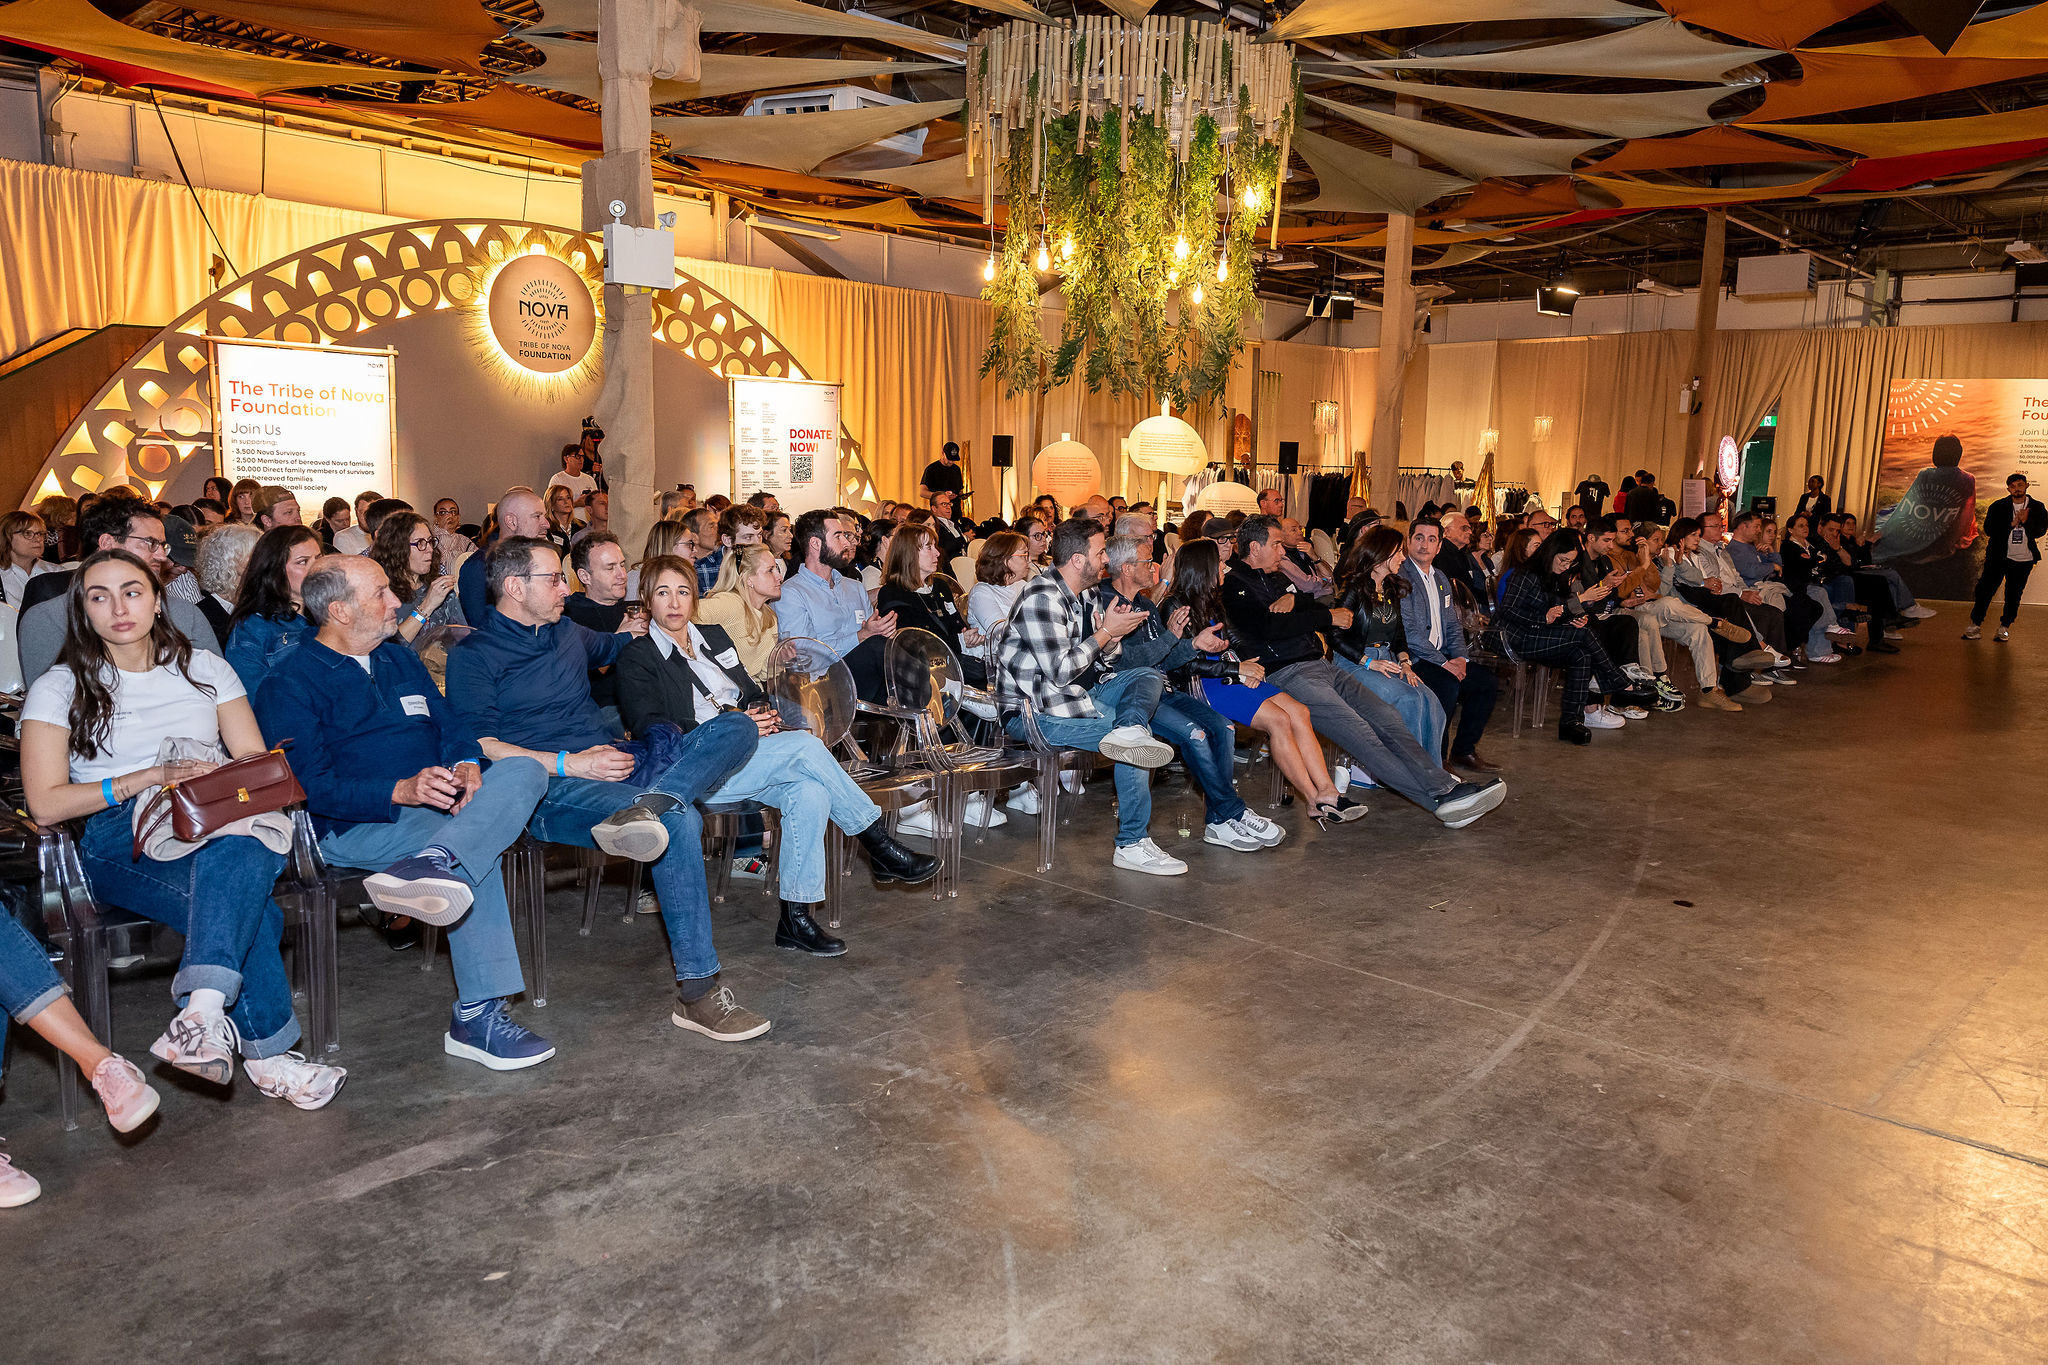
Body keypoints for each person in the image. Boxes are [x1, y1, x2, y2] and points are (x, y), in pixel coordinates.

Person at [21, 551, 346, 1109]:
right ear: (83, 610)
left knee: (242, 852)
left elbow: (254, 766)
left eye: (132, 591)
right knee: (252, 907)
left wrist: (208, 776)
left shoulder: (206, 668)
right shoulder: (60, 686)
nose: (118, 608)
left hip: (212, 814)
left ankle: (202, 1015)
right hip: (119, 835)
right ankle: (263, 1054)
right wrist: (147, 777)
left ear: (157, 600)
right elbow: (45, 804)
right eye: (99, 596)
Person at [444, 536, 774, 1041]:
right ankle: (698, 994)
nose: (565, 588)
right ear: (514, 587)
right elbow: (482, 746)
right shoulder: (476, 654)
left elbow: (623, 642)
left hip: (618, 764)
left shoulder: (566, 631)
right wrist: (572, 763)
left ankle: (655, 801)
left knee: (738, 726)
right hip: (549, 786)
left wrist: (666, 624)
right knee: (679, 821)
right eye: (554, 579)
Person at [252, 556, 555, 1070]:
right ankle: (477, 1016)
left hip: (440, 804)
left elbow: (452, 726)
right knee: (470, 851)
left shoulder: (398, 659)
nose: (397, 602)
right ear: (340, 611)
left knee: (525, 770)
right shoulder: (289, 683)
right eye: (382, 594)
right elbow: (309, 788)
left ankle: (434, 860)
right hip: (356, 824)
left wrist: (464, 764)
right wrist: (400, 791)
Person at [615, 556, 939, 954]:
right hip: (694, 767)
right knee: (805, 746)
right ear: (647, 598)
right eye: (663, 592)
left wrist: (763, 713)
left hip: (750, 755)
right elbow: (650, 725)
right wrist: (735, 721)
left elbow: (750, 691)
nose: (674, 602)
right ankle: (878, 845)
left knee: (809, 792)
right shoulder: (638, 656)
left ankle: (795, 920)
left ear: (694, 597)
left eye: (683, 591)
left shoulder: (712, 637)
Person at [1222, 515, 1505, 827]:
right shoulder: (1235, 585)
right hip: (1289, 674)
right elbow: (1270, 627)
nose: (1282, 551)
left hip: (1321, 666)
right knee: (1361, 732)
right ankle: (1440, 799)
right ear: (1254, 548)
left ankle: (1445, 787)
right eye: (1276, 544)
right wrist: (1325, 617)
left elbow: (1313, 599)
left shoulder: (1275, 578)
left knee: (1389, 718)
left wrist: (1294, 599)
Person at [995, 518, 1195, 875]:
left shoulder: (1085, 595)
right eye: (1100, 552)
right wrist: (1105, 633)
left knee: (1146, 677)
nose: (1106, 560)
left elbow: (1103, 660)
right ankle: (1131, 844)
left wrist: (1112, 638)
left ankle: (1129, 727)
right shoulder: (1042, 597)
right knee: (1135, 746)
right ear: (1077, 560)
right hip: (1033, 712)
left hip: (1076, 696)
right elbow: (1060, 671)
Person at [1083, 533, 1286, 852]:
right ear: (1126, 568)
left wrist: (1192, 644)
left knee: (1224, 727)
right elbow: (1127, 663)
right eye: (1147, 561)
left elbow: (1164, 659)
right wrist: (1175, 640)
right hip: (1131, 697)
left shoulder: (1145, 604)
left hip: (1161, 690)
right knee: (1196, 735)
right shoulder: (1105, 603)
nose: (1155, 567)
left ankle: (1219, 823)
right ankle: (1231, 812)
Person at [1159, 540, 1356, 823]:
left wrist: (1250, 666)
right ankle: (1313, 800)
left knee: (1300, 712)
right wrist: (1236, 670)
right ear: (1204, 567)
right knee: (1279, 720)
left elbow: (1235, 638)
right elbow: (1181, 664)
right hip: (1202, 683)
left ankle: (1327, 792)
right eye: (1219, 563)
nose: (1224, 568)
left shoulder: (1212, 597)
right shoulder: (1174, 605)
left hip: (1228, 673)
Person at [18, 494, 222, 687]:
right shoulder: (48, 618)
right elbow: (53, 702)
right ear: (107, 543)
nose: (161, 556)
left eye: (162, 546)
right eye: (151, 543)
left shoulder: (185, 614)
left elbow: (217, 688)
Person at [1497, 531, 1658, 745]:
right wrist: (1543, 618)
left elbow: (1557, 610)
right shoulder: (1525, 574)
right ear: (1550, 553)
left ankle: (1571, 722)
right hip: (1515, 636)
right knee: (1584, 635)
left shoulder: (1554, 576)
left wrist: (1573, 618)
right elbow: (1507, 611)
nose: (1565, 566)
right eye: (1563, 560)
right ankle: (1620, 683)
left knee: (1581, 654)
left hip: (1538, 633)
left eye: (1570, 562)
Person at [1331, 527, 1448, 760]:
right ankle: (1410, 769)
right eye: (1398, 553)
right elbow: (1334, 636)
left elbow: (1398, 634)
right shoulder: (1354, 588)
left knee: (1432, 702)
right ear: (1381, 555)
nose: (1403, 557)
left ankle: (1432, 770)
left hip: (1387, 660)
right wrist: (1367, 662)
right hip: (1354, 663)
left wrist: (1405, 663)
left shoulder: (1390, 588)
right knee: (1408, 700)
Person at [1400, 519, 1503, 770]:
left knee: (1487, 683)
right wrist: (1445, 664)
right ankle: (1439, 758)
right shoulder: (1401, 577)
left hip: (1443, 655)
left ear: (1439, 546)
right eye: (1419, 538)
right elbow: (1409, 633)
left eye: (1431, 539)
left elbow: (1453, 624)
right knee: (1447, 685)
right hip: (1415, 658)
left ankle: (1463, 750)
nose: (1424, 545)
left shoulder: (1440, 577)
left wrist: (1460, 658)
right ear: (1409, 541)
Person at [777, 509, 898, 701]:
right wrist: (861, 636)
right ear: (815, 543)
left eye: (846, 536)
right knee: (878, 648)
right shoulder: (791, 593)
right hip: (823, 686)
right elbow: (803, 658)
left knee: (900, 646)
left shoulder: (854, 587)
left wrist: (882, 630)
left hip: (868, 680)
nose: (847, 543)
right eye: (838, 536)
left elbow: (872, 636)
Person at [876, 522, 983, 682]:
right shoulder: (893, 594)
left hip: (954, 667)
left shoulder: (940, 586)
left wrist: (968, 637)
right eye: (929, 547)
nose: (937, 553)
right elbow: (911, 645)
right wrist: (959, 641)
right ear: (909, 553)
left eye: (935, 546)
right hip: (923, 679)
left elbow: (956, 625)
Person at [224, 525, 320, 692]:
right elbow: (257, 697)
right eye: (302, 562)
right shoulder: (252, 629)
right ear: (276, 569)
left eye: (318, 558)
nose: (316, 568)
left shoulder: (334, 612)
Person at [563, 532, 647, 720]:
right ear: (585, 576)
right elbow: (585, 676)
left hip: (649, 699)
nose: (622, 575)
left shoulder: (637, 609)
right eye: (610, 568)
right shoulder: (569, 617)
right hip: (603, 710)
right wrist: (620, 638)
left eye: (622, 565)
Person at [1966, 472, 2045, 641]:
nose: (2017, 489)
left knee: (2014, 594)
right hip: (1998, 557)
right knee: (1985, 590)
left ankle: (2004, 627)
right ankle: (1975, 624)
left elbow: (2040, 531)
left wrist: (2026, 521)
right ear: (2008, 489)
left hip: (2023, 559)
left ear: (2027, 485)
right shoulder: (1998, 506)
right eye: (2013, 486)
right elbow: (1989, 529)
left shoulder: (2037, 507)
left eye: (2020, 485)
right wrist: (2011, 524)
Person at [370, 509, 463, 646]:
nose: (430, 549)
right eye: (420, 543)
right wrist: (427, 606)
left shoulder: (438, 587)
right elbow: (388, 649)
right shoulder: (380, 594)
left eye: (430, 542)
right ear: (396, 548)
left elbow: (462, 638)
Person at [697, 545, 785, 681]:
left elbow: (760, 674)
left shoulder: (770, 617)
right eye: (770, 570)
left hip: (750, 691)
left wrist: (778, 660)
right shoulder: (729, 603)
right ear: (749, 578)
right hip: (722, 692)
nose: (779, 577)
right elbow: (683, 615)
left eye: (777, 569)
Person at [459, 488, 546, 624]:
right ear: (511, 522)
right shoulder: (478, 566)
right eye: (537, 516)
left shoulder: (541, 559)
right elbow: (482, 626)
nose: (546, 524)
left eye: (545, 516)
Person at [0, 509, 55, 605]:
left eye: (40, 534)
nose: (38, 539)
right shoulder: (2, 576)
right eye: (27, 533)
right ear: (7, 537)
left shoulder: (56, 572)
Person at [548, 443, 598, 510]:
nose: (581, 460)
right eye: (577, 456)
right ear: (566, 459)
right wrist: (576, 504)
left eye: (582, 456)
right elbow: (552, 506)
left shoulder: (589, 479)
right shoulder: (558, 479)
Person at [331, 490, 380, 555]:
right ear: (356, 512)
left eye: (373, 513)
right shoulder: (343, 537)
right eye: (363, 512)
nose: (367, 517)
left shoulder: (390, 535)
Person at [920, 441, 966, 508]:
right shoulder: (931, 469)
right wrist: (942, 496)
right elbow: (922, 492)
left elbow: (959, 490)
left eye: (953, 460)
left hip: (955, 510)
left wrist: (961, 495)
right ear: (942, 453)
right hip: (939, 510)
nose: (951, 462)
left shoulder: (956, 469)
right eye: (949, 459)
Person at [929, 490, 969, 561]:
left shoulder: (953, 524)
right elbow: (944, 547)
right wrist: (965, 538)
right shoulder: (934, 525)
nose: (948, 507)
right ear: (934, 508)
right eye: (944, 504)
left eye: (949, 504)